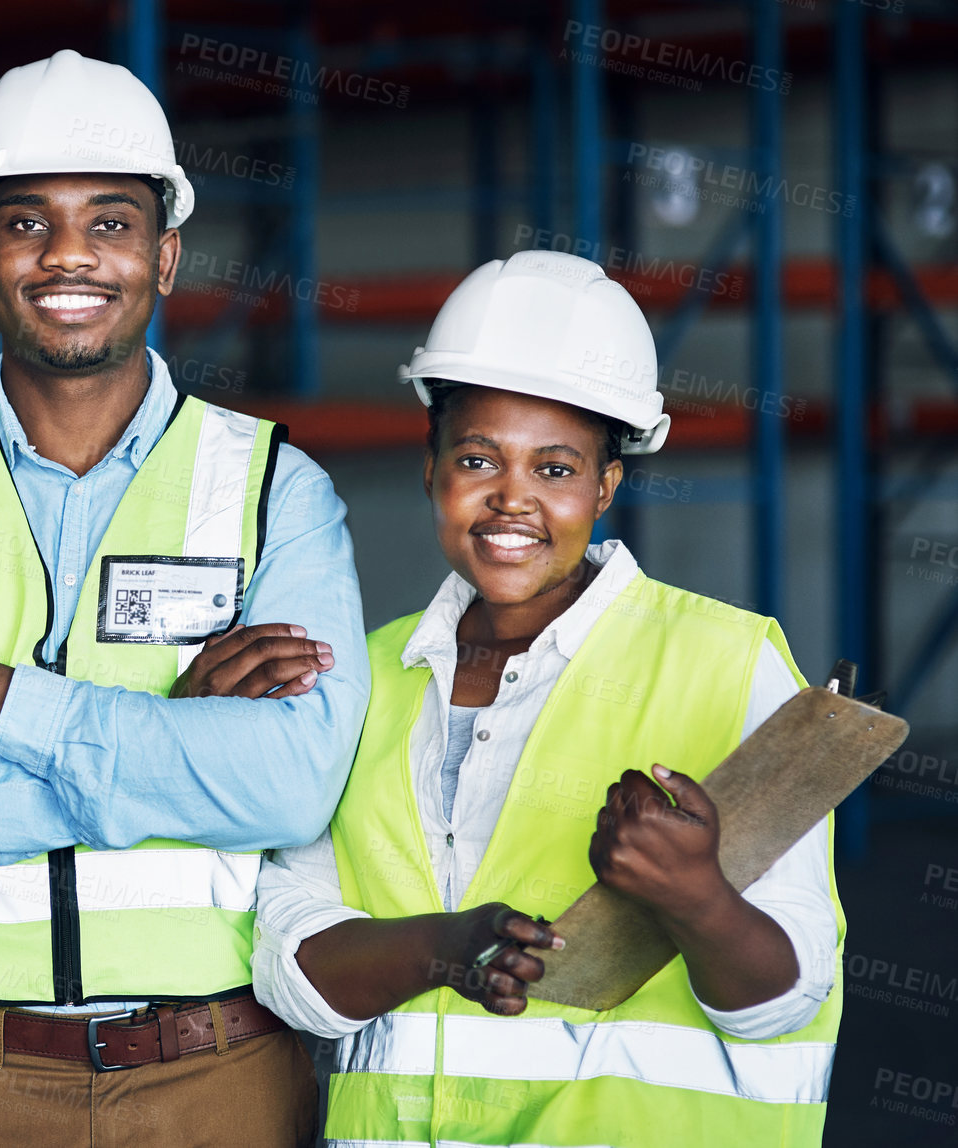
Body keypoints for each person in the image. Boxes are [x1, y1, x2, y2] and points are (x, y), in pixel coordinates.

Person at [0, 50, 369, 1147]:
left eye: (110, 222)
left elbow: (290, 784)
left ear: (167, 254)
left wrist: (12, 708)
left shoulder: (274, 487)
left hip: (217, 1074)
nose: (69, 256)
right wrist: (177, 749)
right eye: (26, 222)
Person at [252, 249, 842, 1147]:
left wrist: (695, 898)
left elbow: (785, 1000)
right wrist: (444, 948)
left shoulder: (730, 664)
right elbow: (294, 971)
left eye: (556, 470)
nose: (511, 501)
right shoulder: (359, 679)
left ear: (608, 482)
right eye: (479, 458)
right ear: (432, 465)